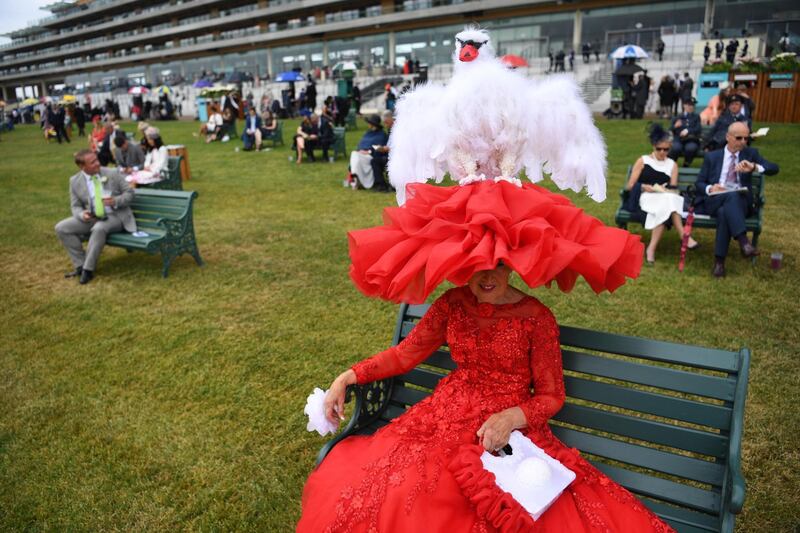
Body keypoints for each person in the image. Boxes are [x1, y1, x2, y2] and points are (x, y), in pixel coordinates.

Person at [694, 122, 779, 277]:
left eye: (746, 138)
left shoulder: (750, 154)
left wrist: (754, 167)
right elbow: (699, 183)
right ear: (728, 137)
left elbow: (774, 168)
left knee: (724, 210)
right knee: (727, 200)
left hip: (741, 204)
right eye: (739, 138)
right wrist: (710, 188)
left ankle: (719, 263)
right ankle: (743, 242)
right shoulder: (713, 156)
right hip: (715, 200)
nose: (743, 142)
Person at [54, 149, 136, 285]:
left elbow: (130, 193)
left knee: (99, 228)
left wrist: (115, 200)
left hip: (115, 215)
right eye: (92, 162)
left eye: (96, 159)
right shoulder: (74, 181)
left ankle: (88, 269)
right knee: (61, 228)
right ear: (82, 166)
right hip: (92, 216)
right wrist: (82, 214)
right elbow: (75, 206)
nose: (97, 163)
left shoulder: (112, 173)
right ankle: (80, 265)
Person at [625, 124, 698, 264]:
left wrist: (665, 190)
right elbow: (630, 185)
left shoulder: (672, 164)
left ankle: (651, 249)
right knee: (669, 202)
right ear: (653, 146)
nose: (663, 152)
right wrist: (643, 187)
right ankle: (683, 235)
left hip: (664, 197)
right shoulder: (643, 161)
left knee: (668, 200)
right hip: (647, 197)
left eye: (666, 149)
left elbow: (673, 187)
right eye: (659, 149)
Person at [349, 114, 390, 191]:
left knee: (354, 155)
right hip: (361, 154)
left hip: (371, 155)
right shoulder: (368, 133)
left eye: (369, 123)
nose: (368, 124)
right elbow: (361, 144)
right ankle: (355, 176)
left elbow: (378, 148)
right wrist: (361, 150)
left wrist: (368, 151)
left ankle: (354, 176)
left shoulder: (381, 134)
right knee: (355, 154)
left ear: (373, 124)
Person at [668, 97, 702, 167]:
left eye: (692, 105)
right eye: (689, 105)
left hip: (691, 139)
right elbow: (670, 129)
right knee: (676, 148)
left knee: (691, 148)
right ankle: (672, 164)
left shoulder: (696, 117)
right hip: (678, 139)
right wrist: (675, 126)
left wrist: (688, 131)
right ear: (684, 106)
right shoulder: (677, 117)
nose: (691, 107)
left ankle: (686, 163)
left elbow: (698, 128)